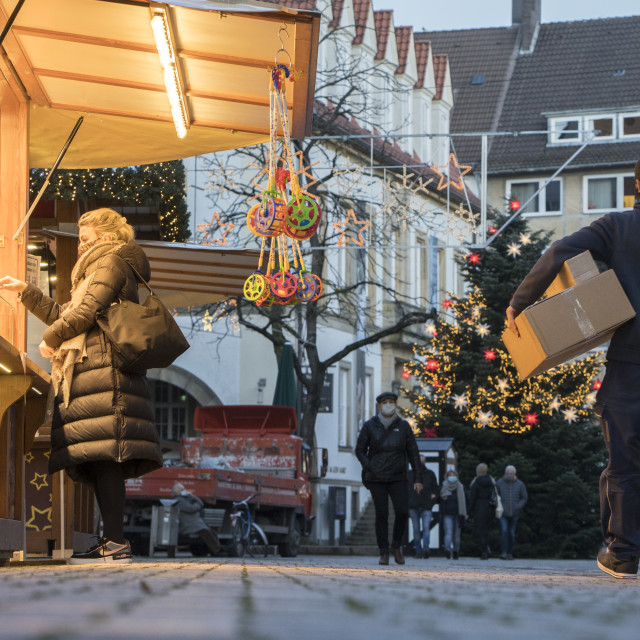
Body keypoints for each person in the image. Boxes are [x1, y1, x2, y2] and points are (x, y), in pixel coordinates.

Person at [0, 208, 163, 565]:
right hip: (98, 370)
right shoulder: (98, 264)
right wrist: (28, 292)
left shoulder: (111, 260)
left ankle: (116, 542)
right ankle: (113, 540)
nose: (81, 242)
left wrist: (52, 337)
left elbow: (86, 311)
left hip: (105, 371)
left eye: (86, 236)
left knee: (106, 458)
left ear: (105, 235)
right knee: (101, 458)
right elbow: (70, 315)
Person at [506, 160, 640, 577]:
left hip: (631, 365)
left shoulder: (619, 226)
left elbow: (560, 251)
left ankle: (623, 552)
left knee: (625, 460)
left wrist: (521, 302)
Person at [356, 391, 423, 566]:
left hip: (398, 475)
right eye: (385, 402)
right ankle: (383, 551)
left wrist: (418, 477)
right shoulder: (370, 425)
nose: (388, 405)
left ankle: (396, 546)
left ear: (395, 404)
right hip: (377, 477)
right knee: (382, 514)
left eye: (391, 402)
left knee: (402, 512)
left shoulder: (404, 426)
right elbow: (359, 449)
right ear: (379, 405)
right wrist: (368, 465)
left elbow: (413, 453)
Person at [172, 483, 222, 556]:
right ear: (177, 492)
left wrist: (193, 496)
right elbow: (192, 509)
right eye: (182, 490)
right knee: (206, 532)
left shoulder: (186, 498)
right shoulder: (179, 500)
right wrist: (197, 505)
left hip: (196, 525)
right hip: (189, 526)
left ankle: (218, 549)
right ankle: (217, 551)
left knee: (212, 532)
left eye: (184, 489)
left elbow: (201, 504)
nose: (184, 491)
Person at [408, 454, 438, 558]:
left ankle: (425, 549)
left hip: (426, 506)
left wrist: (432, 500)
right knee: (416, 529)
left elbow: (435, 489)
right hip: (413, 506)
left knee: (425, 528)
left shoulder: (430, 474)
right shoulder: (410, 474)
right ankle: (419, 550)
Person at [496, 465, 528, 560]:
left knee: (512, 533)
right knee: (504, 531)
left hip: (515, 513)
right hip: (503, 512)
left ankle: (510, 553)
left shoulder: (520, 484)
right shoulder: (499, 483)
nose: (510, 474)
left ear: (514, 473)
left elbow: (524, 497)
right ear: (505, 473)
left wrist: (518, 506)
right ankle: (504, 552)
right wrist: (499, 505)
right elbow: (495, 496)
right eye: (508, 473)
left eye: (512, 473)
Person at [469, 463, 497, 559]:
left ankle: (484, 551)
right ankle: (488, 549)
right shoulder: (491, 482)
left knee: (480, 531)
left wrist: (469, 512)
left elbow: (472, 499)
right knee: (487, 530)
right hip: (490, 507)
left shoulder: (476, 483)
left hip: (480, 508)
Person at [440, 469, 468, 559]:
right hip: (447, 513)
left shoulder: (461, 487)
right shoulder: (443, 487)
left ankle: (456, 551)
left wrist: (465, 513)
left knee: (456, 535)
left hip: (458, 514)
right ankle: (447, 550)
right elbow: (439, 498)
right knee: (448, 532)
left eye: (453, 475)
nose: (452, 477)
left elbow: (466, 500)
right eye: (450, 475)